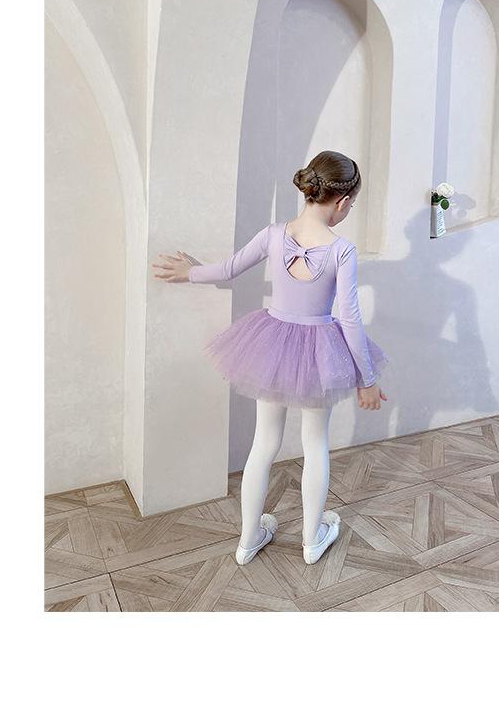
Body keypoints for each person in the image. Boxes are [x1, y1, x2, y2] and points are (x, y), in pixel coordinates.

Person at [152, 150, 389, 567]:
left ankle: (248, 540)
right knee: (315, 443)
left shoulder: (274, 234)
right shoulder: (342, 250)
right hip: (319, 351)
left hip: (273, 345)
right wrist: (366, 379)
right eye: (352, 204)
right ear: (342, 201)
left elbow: (229, 269)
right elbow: (350, 318)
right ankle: (312, 539)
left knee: (264, 441)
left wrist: (190, 272)